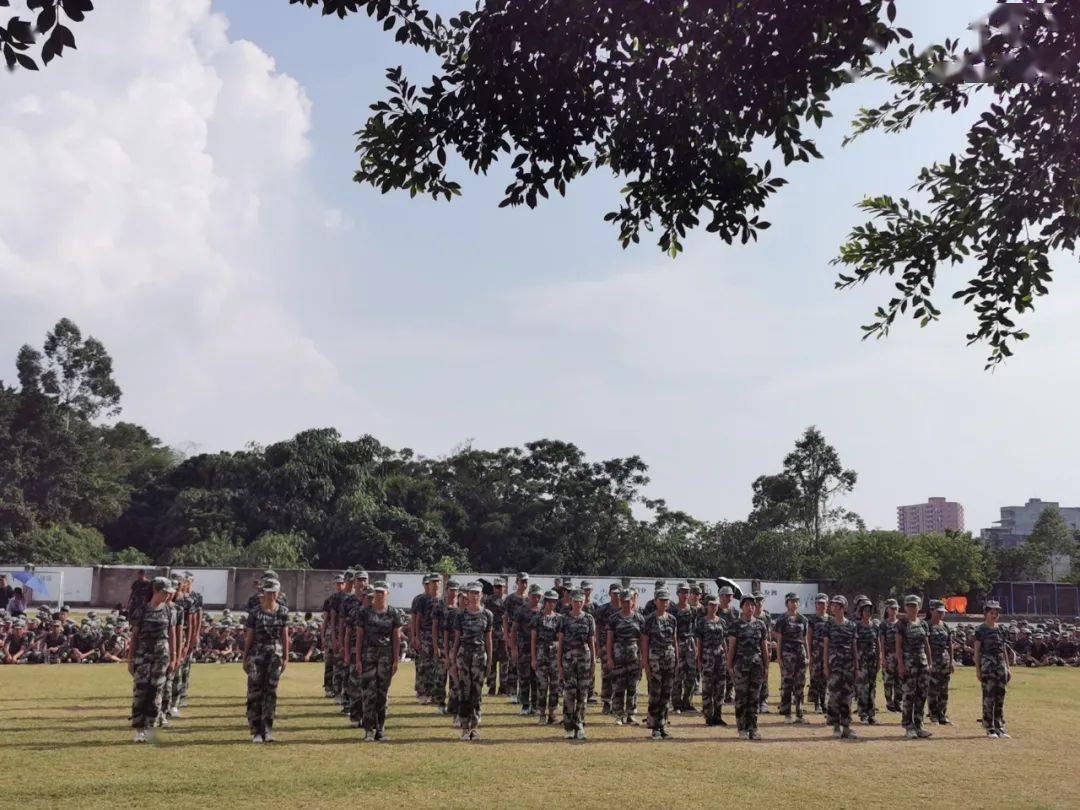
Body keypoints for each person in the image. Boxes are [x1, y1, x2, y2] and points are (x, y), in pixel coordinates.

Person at [243, 578, 290, 743]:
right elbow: (249, 636)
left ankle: (267, 730)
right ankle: (256, 731)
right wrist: (245, 656)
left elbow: (285, 636)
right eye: (268, 592)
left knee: (271, 693)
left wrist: (286, 656)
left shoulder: (283, 611)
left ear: (278, 593)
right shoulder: (255, 612)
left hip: (275, 656)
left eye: (274, 592)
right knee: (255, 692)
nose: (271, 595)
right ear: (264, 593)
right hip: (257, 654)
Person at [356, 581, 404, 741]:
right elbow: (360, 637)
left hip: (386, 657)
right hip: (368, 656)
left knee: (382, 694)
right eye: (377, 592)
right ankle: (368, 730)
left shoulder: (393, 613)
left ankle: (380, 729)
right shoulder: (364, 612)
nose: (379, 594)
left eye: (382, 592)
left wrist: (396, 660)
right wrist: (358, 659)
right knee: (369, 693)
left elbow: (396, 638)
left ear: (387, 594)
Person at [129, 577, 174, 742]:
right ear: (157, 591)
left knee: (156, 691)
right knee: (141, 691)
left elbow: (172, 635)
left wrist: (174, 658)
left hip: (162, 657)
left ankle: (150, 727)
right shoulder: (141, 610)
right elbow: (134, 637)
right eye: (166, 593)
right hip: (143, 655)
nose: (168, 596)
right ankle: (139, 729)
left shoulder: (169, 610)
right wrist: (130, 659)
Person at [449, 582, 493, 741]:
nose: (475, 596)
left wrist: (489, 662)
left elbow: (488, 640)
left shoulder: (487, 614)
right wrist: (453, 663)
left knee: (477, 693)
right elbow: (456, 641)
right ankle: (464, 727)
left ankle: (474, 727)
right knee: (464, 692)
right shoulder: (460, 615)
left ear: (481, 595)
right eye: (472, 593)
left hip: (479, 656)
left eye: (477, 593)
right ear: (467, 595)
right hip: (463, 657)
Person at [726, 593, 769, 740]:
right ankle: (742, 728)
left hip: (757, 666)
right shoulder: (735, 625)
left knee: (754, 698)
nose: (750, 607)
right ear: (741, 607)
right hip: (740, 666)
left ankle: (753, 728)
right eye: (747, 605)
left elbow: (764, 648)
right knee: (741, 698)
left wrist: (767, 666)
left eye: (752, 605)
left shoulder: (760, 624)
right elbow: (731, 647)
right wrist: (730, 666)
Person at [558, 588, 596, 740]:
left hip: (584, 660)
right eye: (575, 601)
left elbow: (591, 643)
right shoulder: (564, 619)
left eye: (581, 601)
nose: (578, 604)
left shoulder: (589, 619)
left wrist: (593, 662)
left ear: (583, 602)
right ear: (571, 602)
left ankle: (579, 724)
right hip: (568, 659)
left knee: (583, 693)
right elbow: (560, 643)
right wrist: (559, 664)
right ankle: (568, 726)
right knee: (569, 693)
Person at [642, 587, 678, 740]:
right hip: (654, 660)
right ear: (655, 601)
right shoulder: (649, 619)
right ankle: (654, 727)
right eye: (661, 600)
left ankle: (663, 725)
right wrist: (646, 666)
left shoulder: (672, 619)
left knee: (666, 694)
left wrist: (677, 660)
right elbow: (644, 643)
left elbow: (674, 641)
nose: (664, 603)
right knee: (655, 694)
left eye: (666, 600)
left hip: (669, 659)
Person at [897, 594, 933, 740]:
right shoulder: (902, 624)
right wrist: (900, 665)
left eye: (914, 606)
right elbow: (898, 647)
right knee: (909, 696)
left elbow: (927, 645)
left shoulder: (923, 624)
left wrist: (930, 663)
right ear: (905, 607)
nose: (912, 608)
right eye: (909, 606)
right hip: (908, 664)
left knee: (921, 695)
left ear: (918, 607)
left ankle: (919, 725)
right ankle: (908, 726)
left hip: (922, 664)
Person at [974, 600, 1011, 739]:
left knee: (1000, 696)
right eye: (992, 612)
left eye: (996, 613)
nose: (994, 615)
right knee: (989, 697)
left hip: (1000, 666)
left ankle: (999, 726)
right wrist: (978, 670)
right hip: (988, 666)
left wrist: (1008, 667)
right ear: (986, 613)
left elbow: (1004, 649)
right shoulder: (980, 630)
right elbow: (977, 652)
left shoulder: (1001, 629)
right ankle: (989, 727)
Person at [823, 595, 859, 739]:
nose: (833, 608)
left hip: (848, 666)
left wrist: (856, 667)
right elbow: (826, 647)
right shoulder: (829, 625)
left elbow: (854, 648)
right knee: (834, 696)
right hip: (834, 666)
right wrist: (825, 665)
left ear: (843, 608)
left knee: (847, 697)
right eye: (832, 605)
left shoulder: (851, 625)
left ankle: (846, 727)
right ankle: (835, 725)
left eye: (837, 606)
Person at [607, 588, 643, 726]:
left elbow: (641, 640)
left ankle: (631, 714)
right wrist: (609, 658)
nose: (627, 604)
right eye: (624, 601)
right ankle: (618, 714)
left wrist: (642, 658)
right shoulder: (614, 619)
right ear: (621, 602)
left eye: (629, 601)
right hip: (618, 658)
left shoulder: (639, 618)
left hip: (634, 658)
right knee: (618, 686)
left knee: (633, 686)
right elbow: (610, 640)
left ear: (632, 601)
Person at [772, 592, 809, 723]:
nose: (794, 604)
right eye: (791, 601)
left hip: (800, 654)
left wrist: (808, 656)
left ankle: (799, 713)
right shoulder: (782, 619)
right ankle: (787, 712)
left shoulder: (803, 620)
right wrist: (779, 657)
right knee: (787, 683)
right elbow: (779, 640)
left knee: (800, 684)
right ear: (787, 603)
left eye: (796, 601)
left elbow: (805, 639)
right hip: (787, 655)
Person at [695, 593, 729, 726]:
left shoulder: (722, 622)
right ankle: (708, 716)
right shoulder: (702, 622)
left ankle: (718, 715)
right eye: (711, 605)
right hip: (707, 658)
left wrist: (727, 656)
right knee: (708, 687)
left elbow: (724, 641)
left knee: (721, 688)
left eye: (715, 605)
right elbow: (699, 641)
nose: (714, 607)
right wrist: (699, 659)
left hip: (720, 658)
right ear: (707, 606)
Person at [531, 589, 563, 726]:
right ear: (545, 602)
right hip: (541, 654)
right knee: (542, 685)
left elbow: (561, 639)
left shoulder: (560, 618)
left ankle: (553, 713)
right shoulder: (537, 618)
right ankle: (542, 714)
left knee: (555, 686)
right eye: (549, 601)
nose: (551, 604)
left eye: (554, 601)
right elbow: (533, 639)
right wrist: (533, 658)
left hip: (555, 655)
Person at [511, 583, 542, 714]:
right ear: (529, 595)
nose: (537, 598)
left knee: (537, 678)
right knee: (524, 677)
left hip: (539, 649)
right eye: (534, 596)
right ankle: (525, 704)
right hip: (524, 648)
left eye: (539, 596)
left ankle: (534, 705)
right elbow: (513, 630)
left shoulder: (542, 610)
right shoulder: (521, 610)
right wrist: (514, 649)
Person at [502, 572, 530, 703]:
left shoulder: (530, 599)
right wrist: (506, 635)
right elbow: (505, 617)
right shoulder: (510, 599)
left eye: (526, 582)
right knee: (513, 663)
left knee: (525, 665)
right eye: (522, 581)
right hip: (514, 635)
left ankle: (523, 694)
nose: (524, 584)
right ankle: (512, 692)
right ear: (517, 583)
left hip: (527, 637)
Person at [854, 596, 880, 724]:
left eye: (869, 610)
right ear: (860, 612)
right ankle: (863, 714)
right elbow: (854, 644)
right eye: (865, 610)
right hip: (861, 660)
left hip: (872, 660)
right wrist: (856, 663)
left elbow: (878, 643)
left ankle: (872, 714)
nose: (867, 613)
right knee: (862, 688)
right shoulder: (856, 626)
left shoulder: (875, 625)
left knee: (872, 687)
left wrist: (879, 660)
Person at [927, 600, 955, 725]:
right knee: (933, 689)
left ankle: (942, 714)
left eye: (942, 612)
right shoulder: (926, 625)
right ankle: (933, 715)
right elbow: (924, 645)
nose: (941, 614)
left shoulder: (945, 626)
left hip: (945, 661)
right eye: (938, 612)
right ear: (931, 611)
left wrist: (951, 662)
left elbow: (950, 645)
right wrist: (928, 662)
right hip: (932, 661)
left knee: (944, 690)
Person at [673, 582, 699, 713]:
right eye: (682, 592)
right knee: (678, 675)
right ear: (678, 593)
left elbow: (696, 630)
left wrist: (696, 647)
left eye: (687, 592)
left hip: (690, 644)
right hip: (677, 642)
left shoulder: (693, 611)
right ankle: (676, 704)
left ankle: (687, 702)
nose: (685, 595)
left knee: (691, 675)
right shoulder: (672, 610)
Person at [596, 584, 621, 714]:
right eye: (614, 593)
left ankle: (617, 703)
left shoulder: (625, 608)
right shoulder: (603, 609)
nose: (616, 595)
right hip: (606, 646)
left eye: (618, 593)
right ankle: (606, 702)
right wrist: (598, 646)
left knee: (619, 676)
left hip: (621, 647)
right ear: (609, 593)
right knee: (607, 674)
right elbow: (598, 628)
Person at [484, 577, 510, 696]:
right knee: (492, 661)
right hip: (492, 635)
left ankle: (503, 688)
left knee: (505, 661)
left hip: (504, 635)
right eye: (497, 587)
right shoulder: (488, 600)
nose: (499, 589)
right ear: (493, 588)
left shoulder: (508, 600)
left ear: (505, 588)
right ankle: (492, 687)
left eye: (501, 587)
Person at [806, 593, 830, 715]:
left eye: (823, 603)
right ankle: (817, 704)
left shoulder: (830, 620)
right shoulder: (812, 619)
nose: (820, 606)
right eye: (818, 603)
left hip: (827, 655)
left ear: (827, 605)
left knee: (826, 679)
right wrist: (809, 655)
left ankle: (824, 703)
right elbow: (809, 638)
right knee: (815, 678)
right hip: (816, 654)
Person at [878, 598, 902, 712]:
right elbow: (881, 641)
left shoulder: (901, 624)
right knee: (888, 681)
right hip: (888, 656)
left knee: (900, 681)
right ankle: (889, 702)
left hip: (899, 656)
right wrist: (882, 657)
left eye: (896, 608)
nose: (894, 610)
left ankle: (898, 702)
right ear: (887, 610)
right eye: (892, 608)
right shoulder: (884, 624)